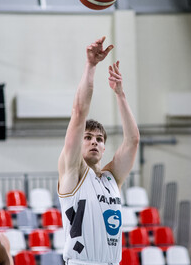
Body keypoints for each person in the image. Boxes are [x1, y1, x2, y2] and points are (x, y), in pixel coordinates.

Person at [57, 36, 140, 265]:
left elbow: (132, 140)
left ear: (104, 148)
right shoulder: (73, 171)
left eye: (99, 139)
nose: (94, 142)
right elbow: (78, 112)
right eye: (88, 137)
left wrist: (120, 95)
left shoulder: (111, 178)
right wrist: (91, 66)